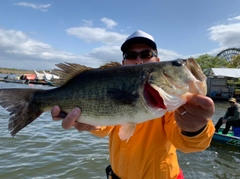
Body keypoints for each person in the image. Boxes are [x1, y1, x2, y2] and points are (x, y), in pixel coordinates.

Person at [51, 30, 215, 179]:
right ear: (123, 63)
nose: (138, 60)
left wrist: (195, 129)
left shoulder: (173, 104)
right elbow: (106, 126)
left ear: (157, 61)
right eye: (131, 55)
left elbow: (188, 145)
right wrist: (89, 125)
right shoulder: (115, 85)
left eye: (146, 54)